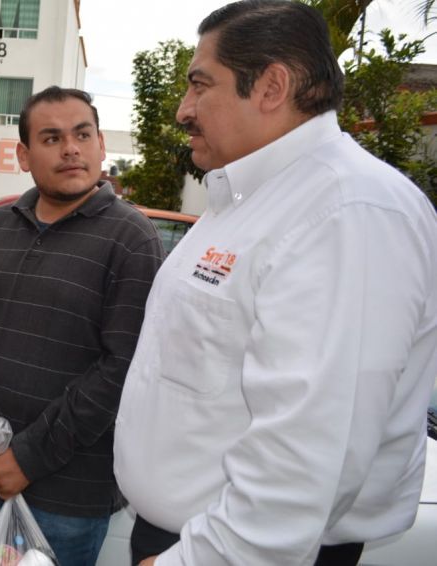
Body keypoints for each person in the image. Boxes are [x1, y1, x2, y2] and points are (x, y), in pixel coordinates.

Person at [114, 2, 437, 565]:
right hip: (186, 536)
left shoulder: (347, 211)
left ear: (270, 86)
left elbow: (306, 457)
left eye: (199, 85)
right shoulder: (249, 200)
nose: (184, 110)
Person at [0, 86, 163, 566]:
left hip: (65, 498)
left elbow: (121, 369)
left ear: (100, 145)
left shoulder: (133, 240)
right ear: (23, 154)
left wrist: (26, 458)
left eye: (82, 134)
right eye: (52, 137)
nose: (71, 148)